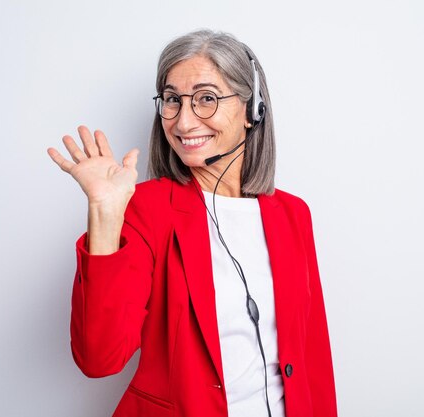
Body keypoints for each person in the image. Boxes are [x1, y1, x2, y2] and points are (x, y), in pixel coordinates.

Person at [47, 29, 337, 417]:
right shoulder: (147, 209)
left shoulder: (292, 215)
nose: (183, 123)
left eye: (206, 99)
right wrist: (105, 211)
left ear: (253, 112)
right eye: (171, 100)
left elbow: (313, 356)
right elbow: (100, 359)